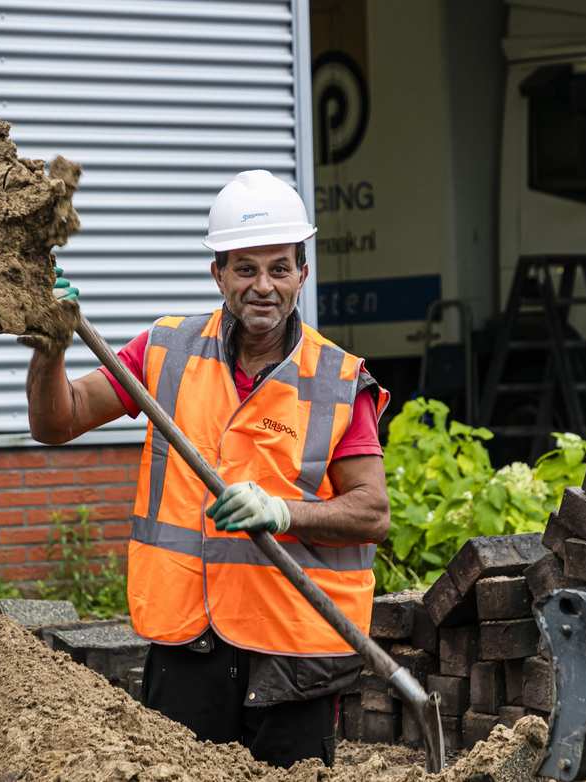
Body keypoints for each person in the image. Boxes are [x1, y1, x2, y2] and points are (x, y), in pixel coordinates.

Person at [24, 170, 390, 768]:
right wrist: (50, 344)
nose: (263, 286)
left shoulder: (338, 379)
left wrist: (282, 511)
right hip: (188, 645)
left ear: (303, 272)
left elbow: (371, 513)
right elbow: (57, 421)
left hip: (294, 656)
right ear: (217, 273)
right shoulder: (165, 351)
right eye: (245, 268)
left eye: (278, 267)